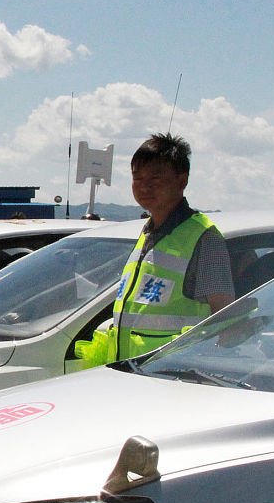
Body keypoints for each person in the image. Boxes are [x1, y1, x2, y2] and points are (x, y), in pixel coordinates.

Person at [76, 132, 233, 366]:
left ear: (182, 181)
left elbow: (226, 318)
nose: (143, 187)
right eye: (137, 178)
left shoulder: (203, 237)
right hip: (133, 373)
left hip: (174, 375)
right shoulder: (147, 233)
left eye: (155, 179)